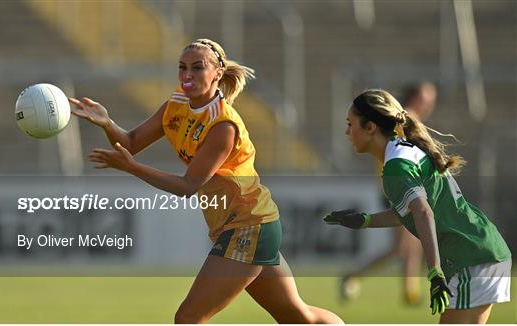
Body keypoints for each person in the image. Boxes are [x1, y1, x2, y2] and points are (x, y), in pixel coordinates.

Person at [69, 39, 343, 324]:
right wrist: (106, 123)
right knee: (300, 317)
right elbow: (131, 141)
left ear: (217, 73)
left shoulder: (223, 125)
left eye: (197, 68)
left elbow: (188, 186)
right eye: (182, 68)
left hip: (249, 226)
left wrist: (131, 168)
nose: (187, 75)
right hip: (243, 227)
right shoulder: (175, 104)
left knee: (188, 318)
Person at [324, 89, 511, 323]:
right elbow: (410, 212)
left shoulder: (395, 167)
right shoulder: (404, 150)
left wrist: (434, 272)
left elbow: (423, 212)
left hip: (469, 257)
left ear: (370, 127)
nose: (347, 132)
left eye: (350, 124)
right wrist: (365, 220)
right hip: (481, 250)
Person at [340, 82, 437, 305]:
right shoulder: (404, 119)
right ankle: (354, 275)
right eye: (426, 98)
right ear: (415, 97)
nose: (429, 104)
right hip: (397, 187)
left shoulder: (406, 119)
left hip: (397, 186)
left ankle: (409, 292)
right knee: (400, 247)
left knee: (413, 245)